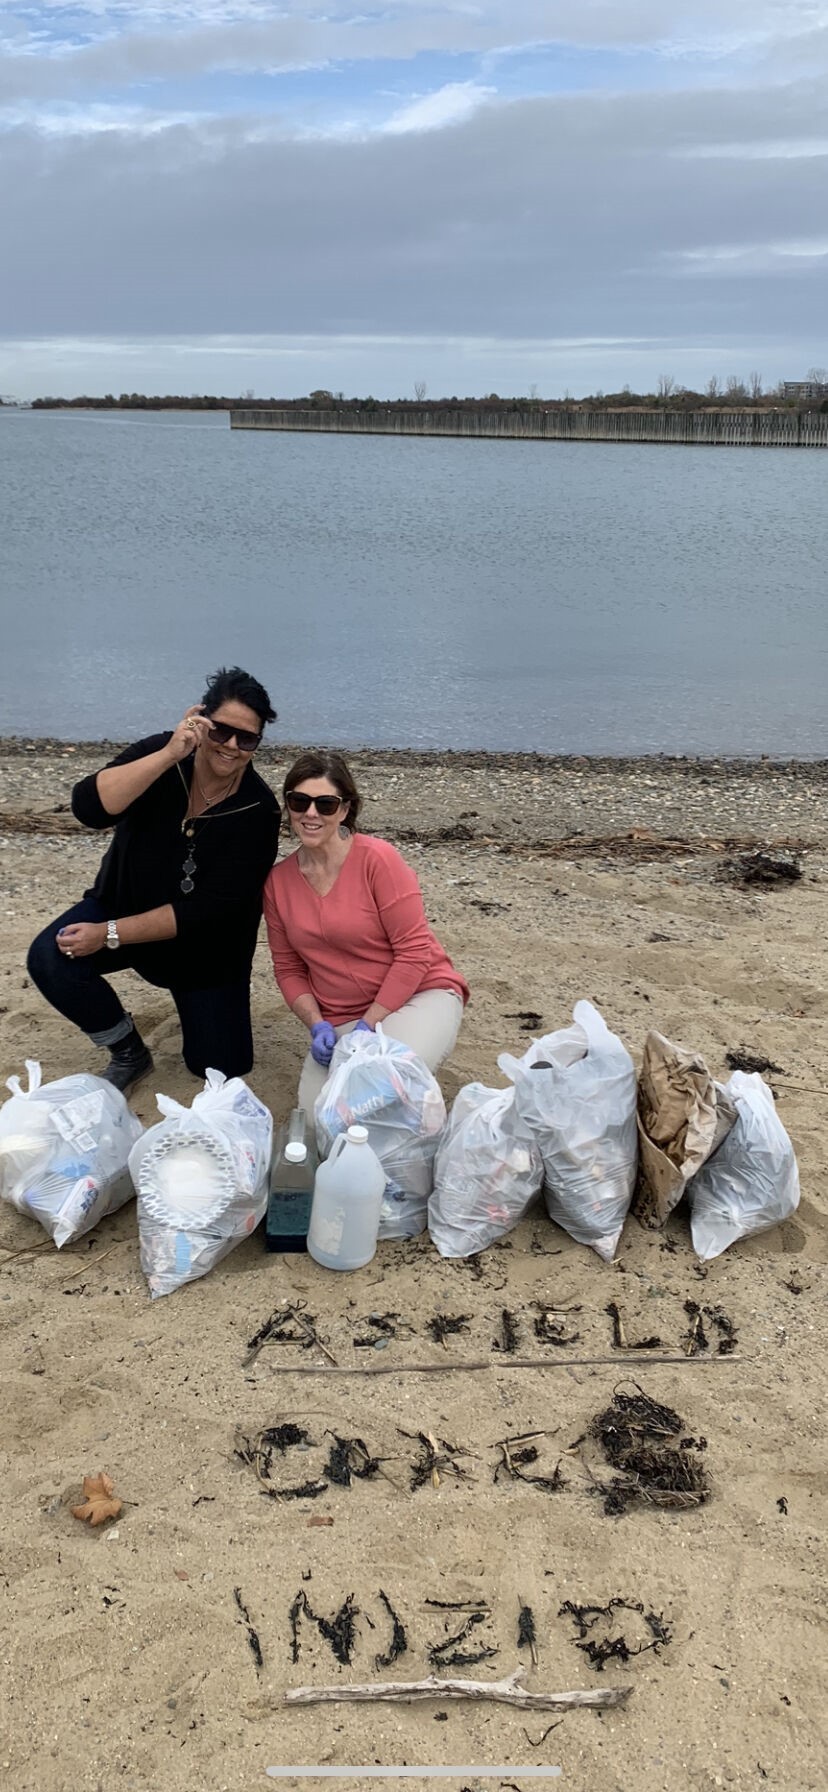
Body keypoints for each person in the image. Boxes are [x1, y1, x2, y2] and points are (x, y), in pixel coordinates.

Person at [27, 667, 280, 1092]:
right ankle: (128, 1050)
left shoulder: (258, 811)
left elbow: (207, 911)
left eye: (247, 739)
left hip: (205, 952)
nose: (232, 746)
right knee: (51, 957)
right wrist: (169, 754)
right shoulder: (160, 755)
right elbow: (89, 809)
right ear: (200, 722)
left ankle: (200, 1016)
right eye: (221, 731)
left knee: (220, 1067)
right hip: (121, 904)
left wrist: (107, 933)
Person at [263, 750, 469, 1116]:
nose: (311, 813)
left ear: (344, 809)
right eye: (299, 801)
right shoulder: (278, 882)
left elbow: (415, 952)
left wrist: (369, 1025)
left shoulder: (378, 860)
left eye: (325, 804)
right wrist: (316, 1024)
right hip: (339, 1017)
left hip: (417, 996)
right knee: (318, 1116)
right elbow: (288, 969)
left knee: (375, 1089)